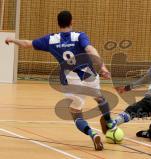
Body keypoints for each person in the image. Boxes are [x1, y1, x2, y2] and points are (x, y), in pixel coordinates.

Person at [5, 10, 116, 150]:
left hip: (71, 80)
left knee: (76, 112)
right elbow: (90, 49)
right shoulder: (79, 36)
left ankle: (92, 134)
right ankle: (110, 123)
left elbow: (27, 44)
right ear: (71, 21)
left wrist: (12, 40)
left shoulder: (51, 40)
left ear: (58, 23)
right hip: (88, 74)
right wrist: (103, 67)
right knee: (100, 98)